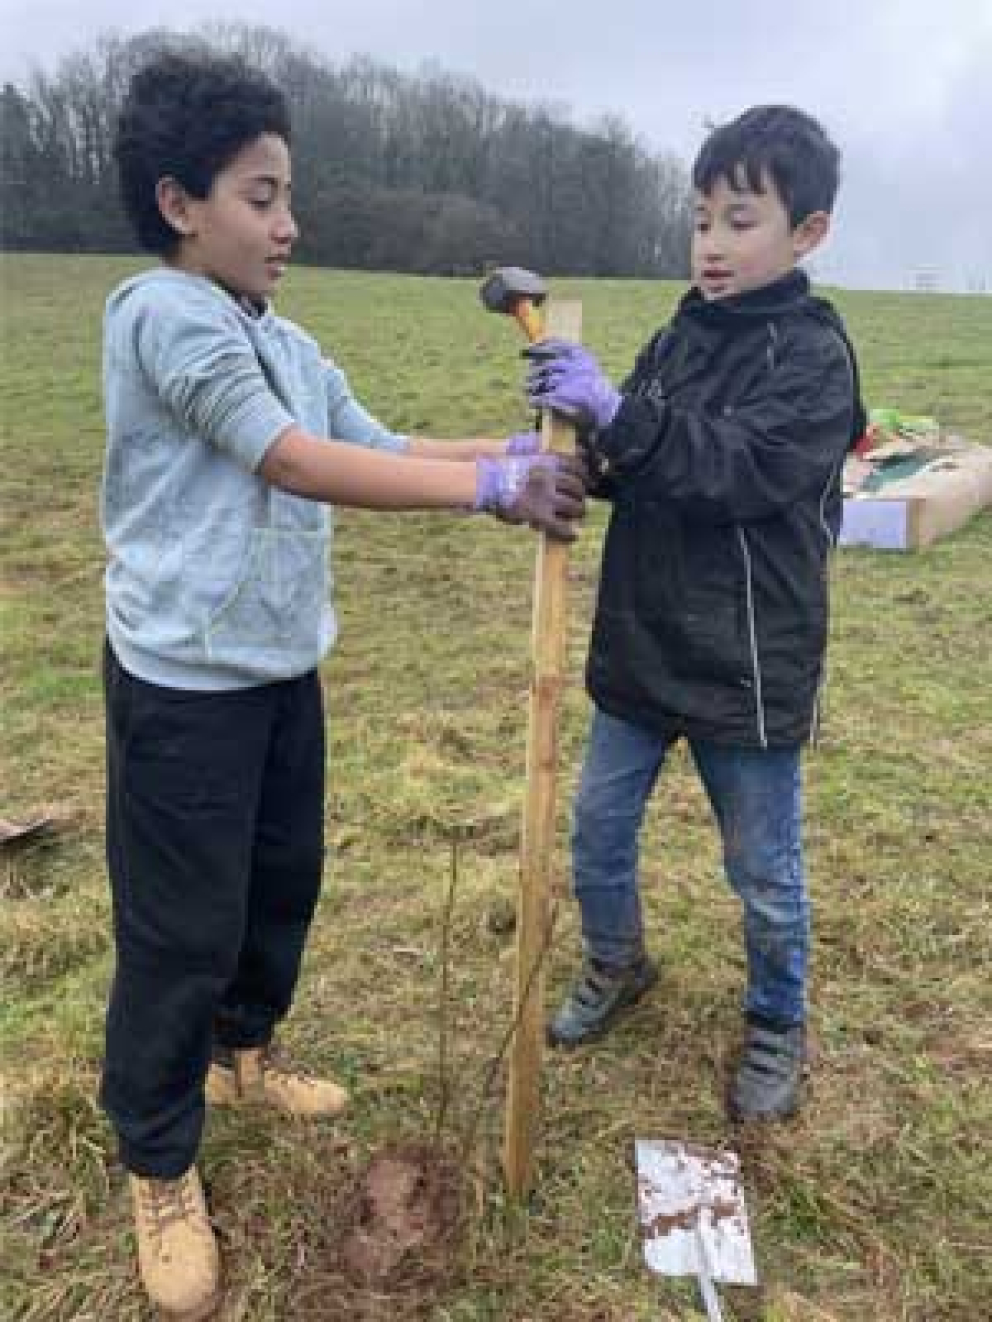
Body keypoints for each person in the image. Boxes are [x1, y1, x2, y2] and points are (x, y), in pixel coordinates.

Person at [101, 50, 585, 1320]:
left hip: (276, 665)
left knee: (280, 881)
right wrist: (487, 490)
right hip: (180, 684)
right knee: (177, 926)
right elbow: (294, 463)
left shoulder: (286, 337)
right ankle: (157, 1157)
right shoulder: (157, 317)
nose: (289, 222)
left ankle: (242, 1055)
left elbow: (375, 444)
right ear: (176, 203)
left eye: (287, 193)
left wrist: (526, 444)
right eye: (260, 195)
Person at [526, 105, 865, 1125]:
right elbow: (643, 455)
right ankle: (616, 961)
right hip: (641, 638)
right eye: (700, 219)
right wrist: (569, 444)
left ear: (805, 233)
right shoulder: (678, 332)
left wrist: (625, 416)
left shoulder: (812, 358)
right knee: (595, 831)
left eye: (739, 219)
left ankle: (773, 1018)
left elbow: (738, 468)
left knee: (760, 868)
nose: (710, 243)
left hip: (747, 658)